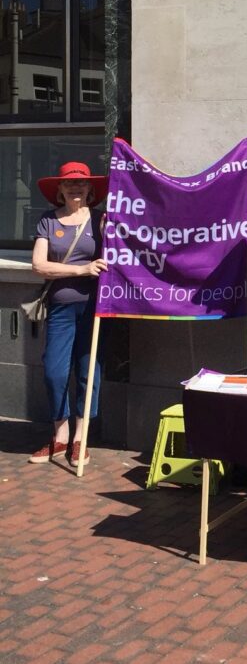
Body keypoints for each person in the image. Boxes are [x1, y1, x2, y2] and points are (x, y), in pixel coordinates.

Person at [27, 162, 108, 467]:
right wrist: (81, 269)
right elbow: (39, 265)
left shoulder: (101, 221)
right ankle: (59, 436)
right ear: (59, 189)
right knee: (54, 371)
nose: (76, 188)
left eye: (82, 184)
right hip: (60, 308)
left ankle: (80, 440)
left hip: (94, 308)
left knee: (89, 372)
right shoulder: (48, 221)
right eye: (69, 184)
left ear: (91, 189)